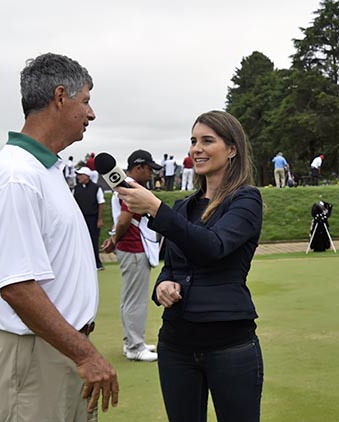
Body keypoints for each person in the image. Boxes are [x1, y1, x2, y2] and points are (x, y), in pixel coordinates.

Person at [0, 52, 118, 421]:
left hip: (61, 348)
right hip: (35, 357)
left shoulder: (46, 169)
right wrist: (85, 353)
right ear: (59, 97)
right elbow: (18, 287)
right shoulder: (17, 176)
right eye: (85, 100)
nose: (91, 113)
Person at [116, 110, 264, 422]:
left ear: (232, 148)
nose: (196, 148)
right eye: (193, 141)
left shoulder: (246, 200)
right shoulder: (184, 206)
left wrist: (156, 208)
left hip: (229, 344)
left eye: (207, 141)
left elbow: (213, 247)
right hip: (176, 343)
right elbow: (172, 265)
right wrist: (163, 285)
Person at [102, 149, 162, 362]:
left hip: (132, 247)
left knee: (131, 299)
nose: (151, 174)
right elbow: (125, 220)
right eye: (149, 169)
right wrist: (116, 239)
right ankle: (135, 346)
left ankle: (133, 342)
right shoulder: (130, 189)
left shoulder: (124, 185)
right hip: (134, 247)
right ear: (139, 167)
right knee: (135, 301)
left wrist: (114, 240)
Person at [73, 166, 105, 270]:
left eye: (81, 175)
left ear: (87, 176)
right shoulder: (76, 189)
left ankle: (97, 263)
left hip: (93, 218)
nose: (79, 177)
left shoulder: (96, 188)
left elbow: (101, 203)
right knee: (80, 241)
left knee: (93, 241)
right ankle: (82, 264)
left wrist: (99, 219)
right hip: (80, 219)